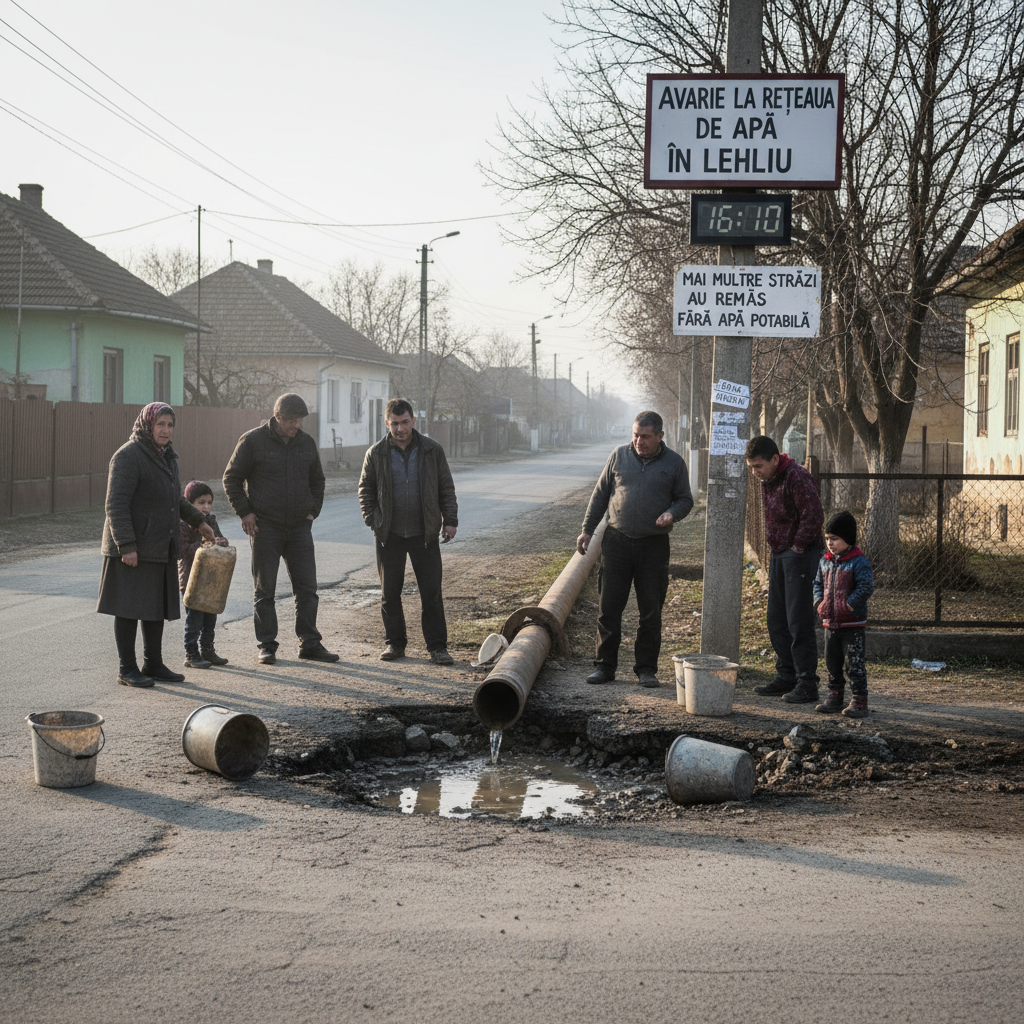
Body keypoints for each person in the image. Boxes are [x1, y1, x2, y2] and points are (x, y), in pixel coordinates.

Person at [97, 402, 215, 687]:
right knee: (128, 609)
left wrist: (200, 522)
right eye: (160, 424)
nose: (165, 430)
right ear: (147, 424)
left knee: (154, 608)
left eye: (170, 425)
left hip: (160, 545)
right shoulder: (128, 456)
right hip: (132, 548)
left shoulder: (168, 457)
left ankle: (153, 664)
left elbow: (176, 499)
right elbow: (116, 505)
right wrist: (126, 545)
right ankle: (127, 669)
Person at [577, 410, 693, 688]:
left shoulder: (675, 463)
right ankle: (604, 667)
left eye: (646, 436)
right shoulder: (618, 456)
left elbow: (685, 499)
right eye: (636, 435)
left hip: (653, 546)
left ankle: (646, 669)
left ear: (660, 436)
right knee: (608, 608)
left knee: (650, 610)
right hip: (616, 542)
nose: (639, 441)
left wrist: (671, 514)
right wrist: (587, 530)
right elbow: (600, 496)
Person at [223, 393, 338, 665]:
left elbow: (318, 481)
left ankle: (310, 642)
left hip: (299, 527)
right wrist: (246, 512)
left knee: (307, 587)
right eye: (292, 421)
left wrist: (313, 510)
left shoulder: (306, 443)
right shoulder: (252, 441)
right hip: (266, 527)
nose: (297, 425)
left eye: (300, 420)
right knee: (265, 590)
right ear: (277, 417)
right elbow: (232, 478)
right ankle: (266, 645)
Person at [358, 398, 459, 665]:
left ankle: (437, 648)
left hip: (424, 534)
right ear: (387, 422)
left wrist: (450, 520)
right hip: (388, 535)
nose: (400, 429)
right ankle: (395, 644)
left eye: (405, 423)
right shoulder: (376, 453)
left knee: (431, 593)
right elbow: (365, 491)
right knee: (389, 593)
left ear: (414, 421)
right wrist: (375, 521)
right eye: (395, 423)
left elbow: (446, 487)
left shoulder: (431, 450)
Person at [745, 434, 824, 703]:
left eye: (758, 466)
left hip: (799, 556)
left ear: (775, 459)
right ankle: (786, 674)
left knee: (798, 620)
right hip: (780, 555)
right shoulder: (771, 479)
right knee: (776, 619)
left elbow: (812, 515)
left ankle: (806, 681)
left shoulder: (797, 477)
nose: (755, 473)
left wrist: (798, 547)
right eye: (752, 467)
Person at [813, 510, 874, 718]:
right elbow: (817, 584)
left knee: (854, 663)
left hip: (852, 624)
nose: (830, 543)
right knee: (832, 661)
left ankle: (859, 699)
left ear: (847, 539)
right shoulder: (825, 561)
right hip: (830, 623)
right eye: (828, 538)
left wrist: (849, 605)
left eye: (835, 539)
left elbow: (866, 587)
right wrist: (819, 602)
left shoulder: (858, 561)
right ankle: (835, 694)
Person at [178, 480, 231, 669]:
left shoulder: (211, 521)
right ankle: (191, 654)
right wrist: (203, 544)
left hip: (210, 581)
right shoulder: (183, 524)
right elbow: (182, 551)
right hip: (191, 581)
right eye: (201, 502)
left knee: (210, 618)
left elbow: (218, 538)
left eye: (209, 502)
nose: (206, 507)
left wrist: (221, 542)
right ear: (188, 504)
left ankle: (208, 650)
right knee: (194, 621)